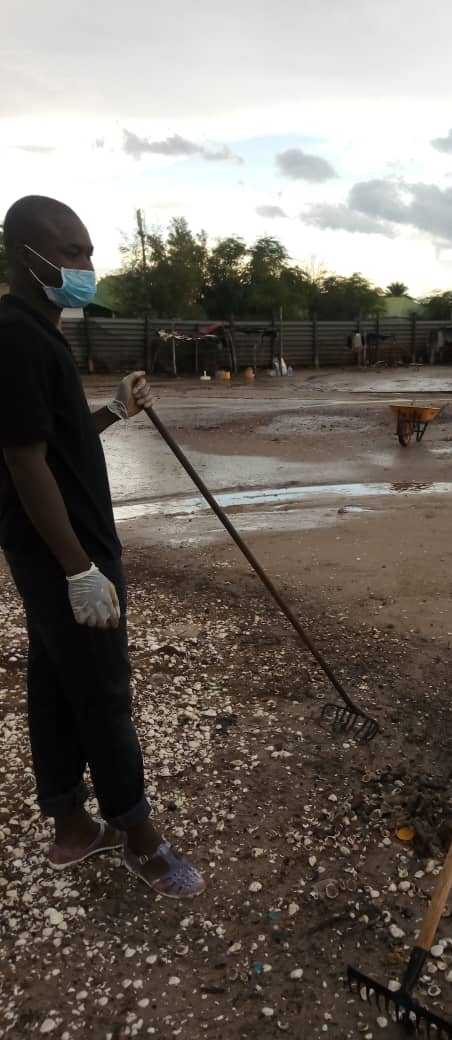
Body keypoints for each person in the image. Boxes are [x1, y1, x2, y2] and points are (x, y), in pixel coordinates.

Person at [0, 195, 205, 897]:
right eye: (68, 252)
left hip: (52, 550)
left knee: (57, 683)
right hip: (67, 551)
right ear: (23, 254)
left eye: (88, 251)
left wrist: (112, 413)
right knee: (103, 693)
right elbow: (25, 463)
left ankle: (70, 825)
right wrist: (80, 569)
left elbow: (52, 440)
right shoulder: (17, 335)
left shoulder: (36, 331)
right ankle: (139, 839)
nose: (85, 266)